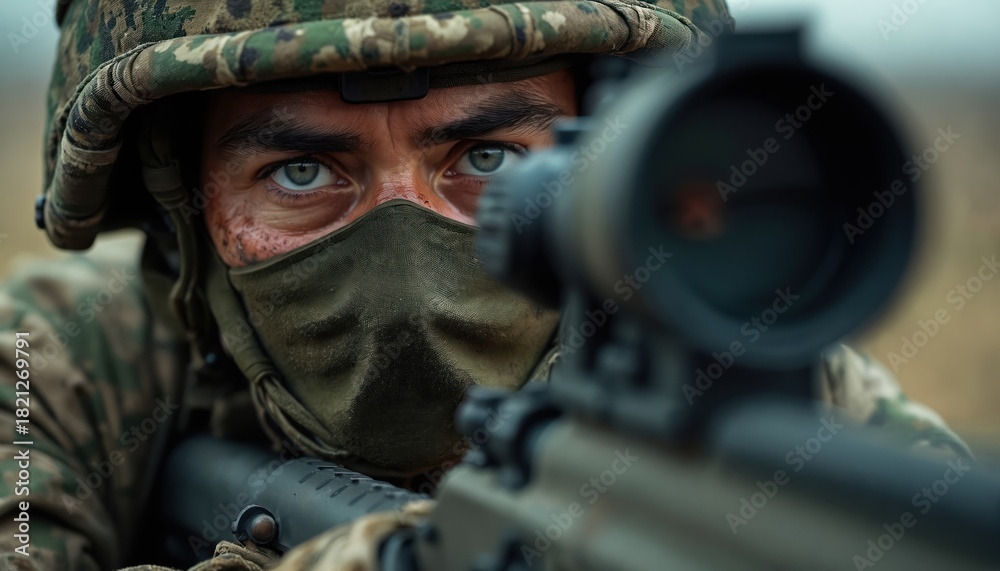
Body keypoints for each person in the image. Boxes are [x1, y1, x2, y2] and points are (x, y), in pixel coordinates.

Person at [0, 0, 972, 570]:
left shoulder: (741, 388)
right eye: (301, 172)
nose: (409, 267)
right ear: (182, 215)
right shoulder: (55, 362)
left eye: (491, 160)